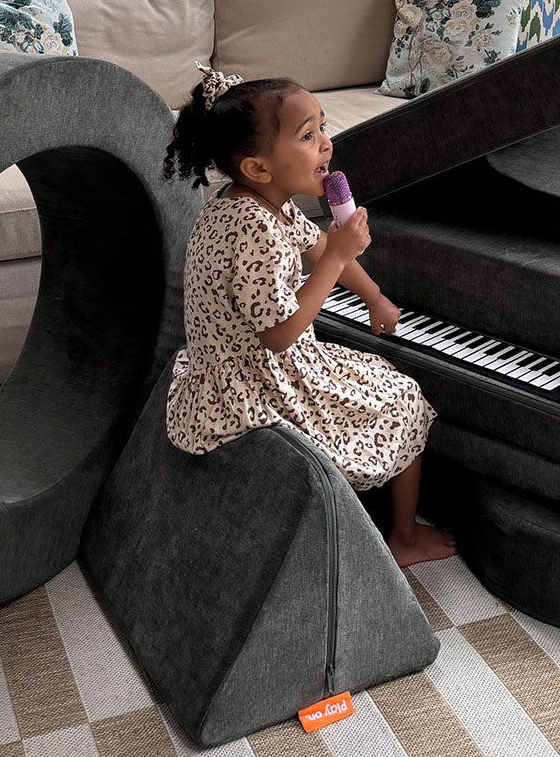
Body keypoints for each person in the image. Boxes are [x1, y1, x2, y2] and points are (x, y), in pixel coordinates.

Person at [160, 61, 457, 568]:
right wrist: (342, 255)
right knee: (401, 396)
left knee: (373, 374)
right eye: (307, 135)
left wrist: (373, 295)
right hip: (255, 385)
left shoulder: (254, 202)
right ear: (258, 166)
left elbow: (317, 245)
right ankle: (402, 537)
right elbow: (280, 333)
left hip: (234, 365)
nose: (325, 143)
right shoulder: (253, 228)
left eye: (322, 126)